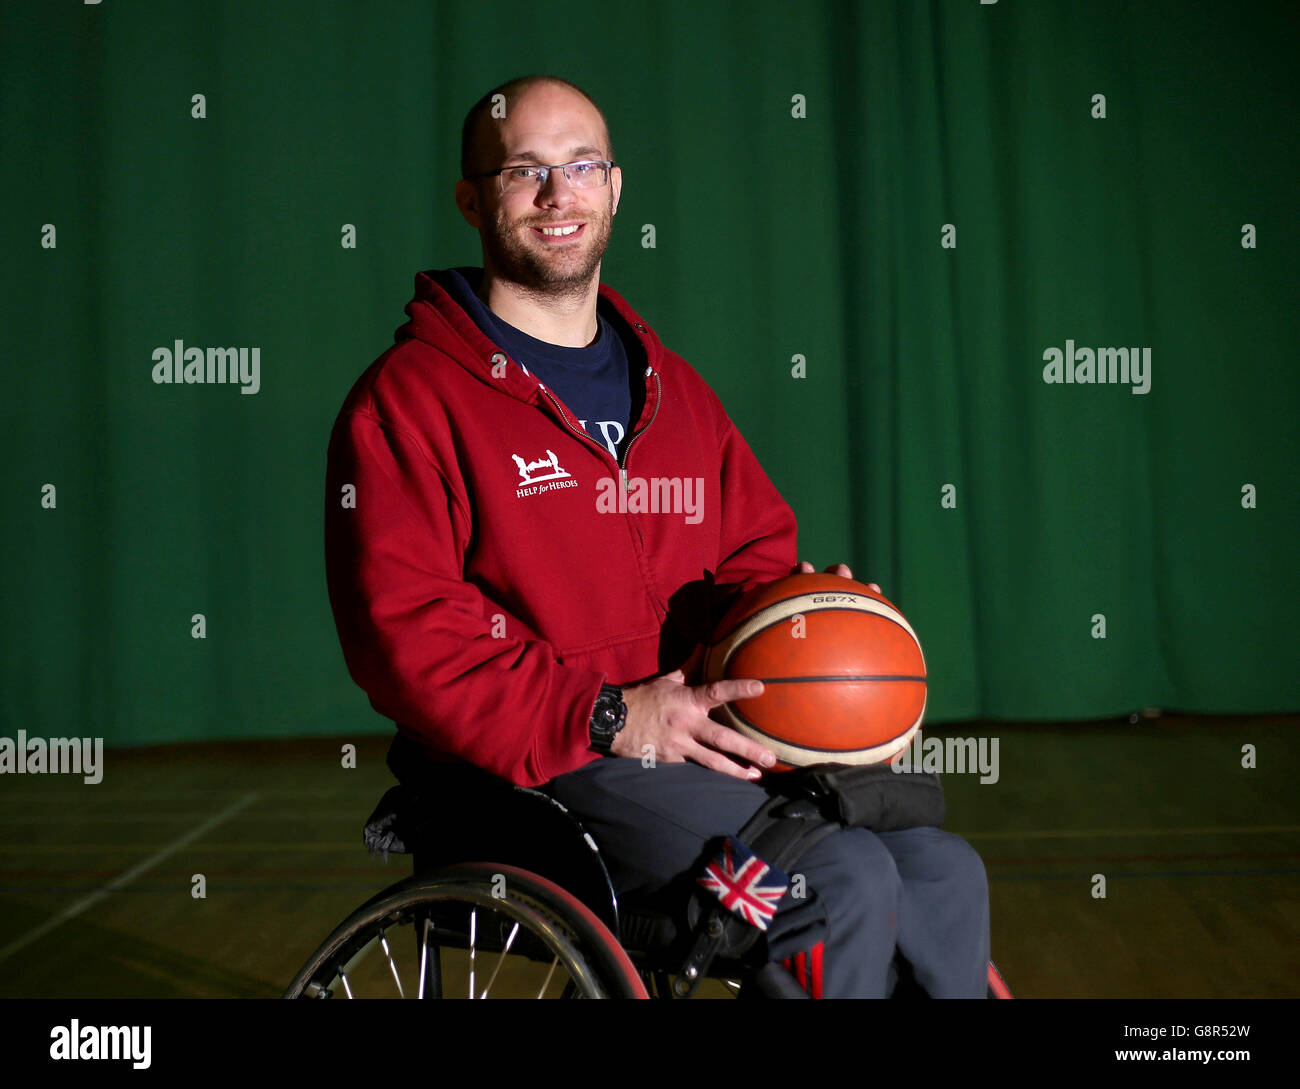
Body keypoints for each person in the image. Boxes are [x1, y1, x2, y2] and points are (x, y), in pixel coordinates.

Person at [324, 73, 989, 997]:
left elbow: (748, 561)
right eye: (526, 171)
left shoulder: (670, 388)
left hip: (700, 736)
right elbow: (405, 634)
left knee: (943, 871)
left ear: (615, 187)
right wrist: (608, 712)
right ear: (473, 198)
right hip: (540, 772)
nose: (560, 195)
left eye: (582, 165)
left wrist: (807, 618)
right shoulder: (408, 402)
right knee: (835, 879)